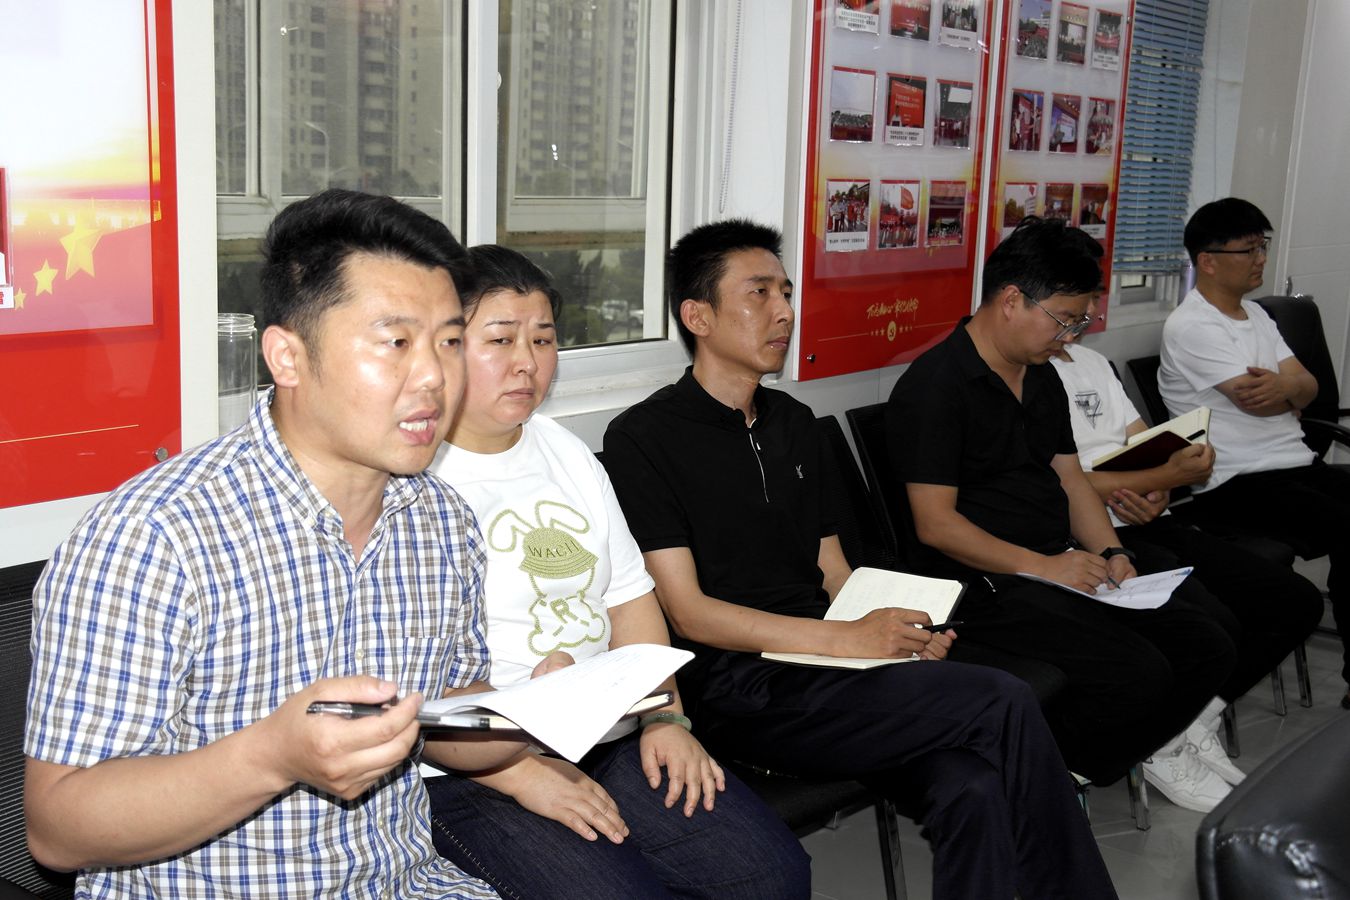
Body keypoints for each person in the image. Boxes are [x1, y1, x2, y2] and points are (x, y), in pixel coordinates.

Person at [24, 189, 524, 897]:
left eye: (448, 342)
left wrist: (532, 717)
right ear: (287, 357)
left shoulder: (440, 520)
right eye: (396, 342)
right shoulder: (156, 535)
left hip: (406, 883)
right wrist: (272, 757)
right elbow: (58, 829)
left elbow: (444, 711)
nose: (435, 378)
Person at [604, 219, 1118, 900]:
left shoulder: (793, 423)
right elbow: (688, 613)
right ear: (697, 316)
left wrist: (896, 632)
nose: (784, 312)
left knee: (972, 783)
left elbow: (833, 571)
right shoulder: (643, 438)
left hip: (831, 669)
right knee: (1003, 697)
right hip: (738, 687)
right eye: (759, 294)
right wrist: (848, 639)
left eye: (786, 292)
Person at [422, 245, 809, 899]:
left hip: (605, 733)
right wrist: (519, 774)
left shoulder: (563, 450)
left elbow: (631, 601)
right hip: (471, 767)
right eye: (501, 339)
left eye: (543, 339)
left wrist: (665, 719)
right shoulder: (416, 476)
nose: (527, 362)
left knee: (771, 876)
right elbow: (406, 686)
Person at [887, 216, 1238, 807]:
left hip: (1055, 561)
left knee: (1207, 643)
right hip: (981, 583)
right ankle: (1052, 776)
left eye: (1080, 323)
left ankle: (1078, 762)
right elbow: (936, 525)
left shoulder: (1041, 375)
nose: (1071, 336)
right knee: (1138, 670)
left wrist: (1112, 550)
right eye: (1065, 320)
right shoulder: (935, 388)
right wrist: (1044, 566)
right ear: (1011, 300)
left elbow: (1069, 477)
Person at [1049, 333, 1322, 794]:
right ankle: (1162, 739)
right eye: (1073, 310)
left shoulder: (1092, 361)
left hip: (1148, 518)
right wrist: (1164, 476)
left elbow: (1147, 442)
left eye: (1089, 306)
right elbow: (1057, 484)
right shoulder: (1024, 374)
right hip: (1088, 535)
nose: (1084, 318)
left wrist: (1164, 485)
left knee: (1296, 602)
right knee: (1213, 628)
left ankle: (1190, 719)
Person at [1159, 196, 1349, 707]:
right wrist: (1291, 392)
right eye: (1249, 249)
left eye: (1262, 247)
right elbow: (1259, 402)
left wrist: (1291, 390)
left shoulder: (1258, 316)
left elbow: (1309, 388)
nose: (1261, 259)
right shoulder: (1193, 325)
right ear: (1208, 260)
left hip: (1293, 465)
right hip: (1232, 481)